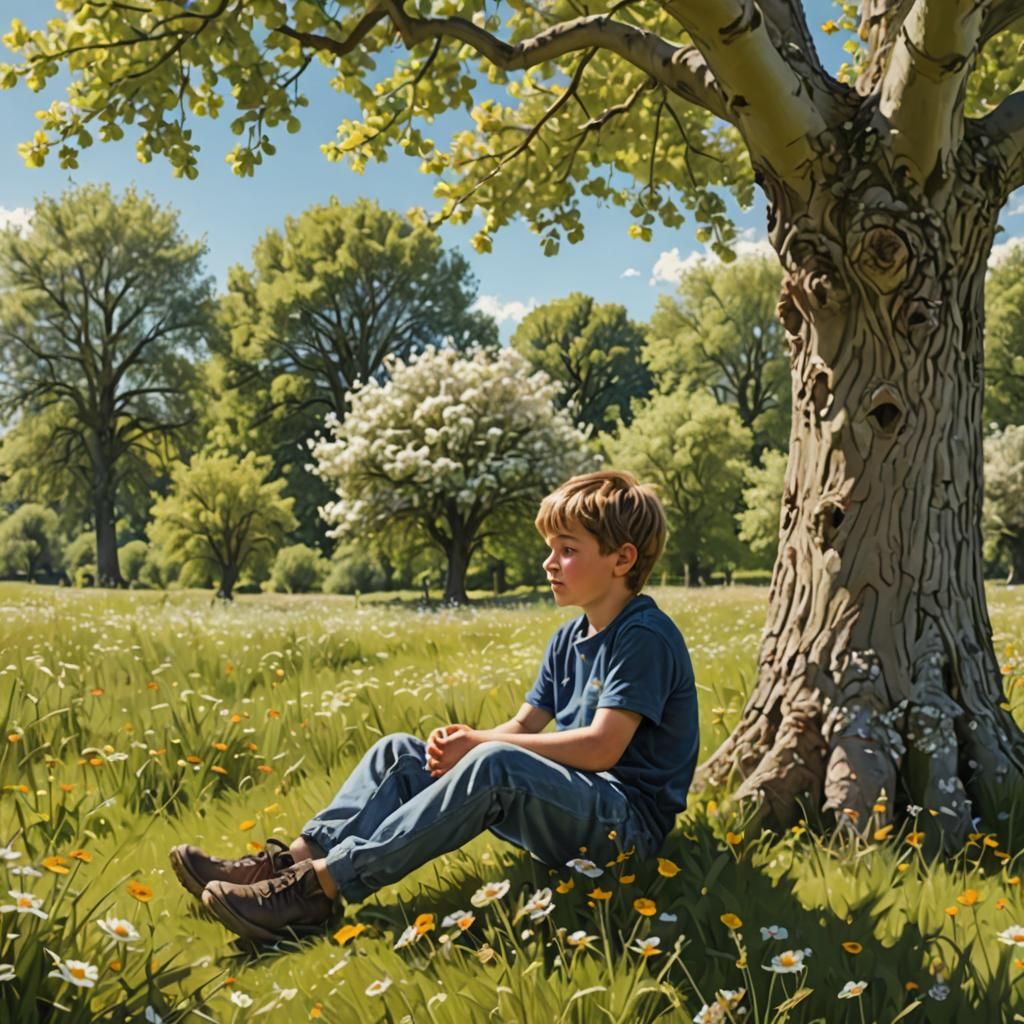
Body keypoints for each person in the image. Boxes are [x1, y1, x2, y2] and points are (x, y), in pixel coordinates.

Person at [170, 470, 700, 941]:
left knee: (494, 763)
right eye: (550, 547)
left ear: (622, 559)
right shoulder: (568, 639)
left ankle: (319, 890)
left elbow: (603, 747)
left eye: (567, 549)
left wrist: (481, 746)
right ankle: (289, 865)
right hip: (570, 804)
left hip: (624, 829)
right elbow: (525, 724)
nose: (549, 562)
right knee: (399, 753)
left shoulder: (643, 636)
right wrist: (463, 744)